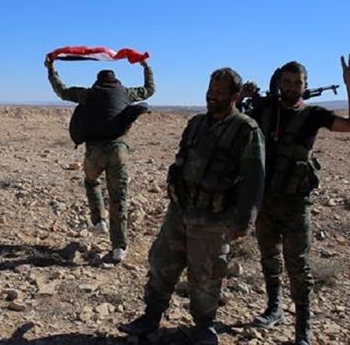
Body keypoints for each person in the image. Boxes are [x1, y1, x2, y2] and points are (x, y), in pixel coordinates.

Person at [118, 68, 265, 344]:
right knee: (162, 263)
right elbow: (182, 160)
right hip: (181, 210)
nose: (212, 96)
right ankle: (150, 316)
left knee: (206, 274)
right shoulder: (197, 123)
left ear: (234, 96)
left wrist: (244, 221)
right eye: (211, 90)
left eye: (220, 92)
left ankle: (204, 325)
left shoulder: (246, 129)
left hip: (214, 217)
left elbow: (254, 178)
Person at [246, 55, 350, 345]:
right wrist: (244, 95)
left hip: (296, 203)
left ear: (305, 85)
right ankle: (274, 308)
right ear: (279, 83)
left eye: (297, 83)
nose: (291, 87)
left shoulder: (313, 116)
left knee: (298, 265)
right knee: (269, 258)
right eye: (286, 82)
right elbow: (235, 123)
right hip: (264, 200)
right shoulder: (264, 110)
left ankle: (303, 329)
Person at [44, 57, 155, 262]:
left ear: (98, 81)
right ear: (116, 81)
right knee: (118, 198)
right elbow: (149, 89)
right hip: (118, 150)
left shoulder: (88, 94)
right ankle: (119, 248)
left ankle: (98, 220)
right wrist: (146, 66)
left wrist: (51, 70)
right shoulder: (126, 93)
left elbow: (61, 91)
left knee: (91, 182)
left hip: (95, 151)